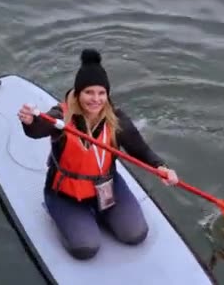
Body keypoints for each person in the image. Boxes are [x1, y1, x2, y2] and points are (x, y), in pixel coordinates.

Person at [17, 48, 179, 260]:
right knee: (86, 248)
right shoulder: (61, 116)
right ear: (78, 94)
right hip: (66, 193)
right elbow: (39, 129)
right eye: (89, 93)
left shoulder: (117, 120)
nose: (96, 99)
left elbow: (140, 149)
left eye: (101, 93)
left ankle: (102, 214)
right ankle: (62, 212)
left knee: (136, 234)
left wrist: (161, 167)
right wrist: (30, 122)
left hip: (106, 187)